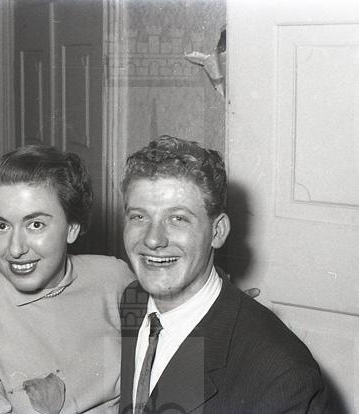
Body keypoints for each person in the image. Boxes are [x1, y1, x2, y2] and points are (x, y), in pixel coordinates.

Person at [118, 136, 328, 414]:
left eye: (178, 218)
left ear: (217, 232)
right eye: (139, 217)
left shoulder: (281, 375)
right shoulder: (131, 301)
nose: (153, 239)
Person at [0, 145, 135, 413]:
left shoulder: (115, 279)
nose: (15, 249)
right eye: (1, 226)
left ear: (72, 228)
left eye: (35, 225)